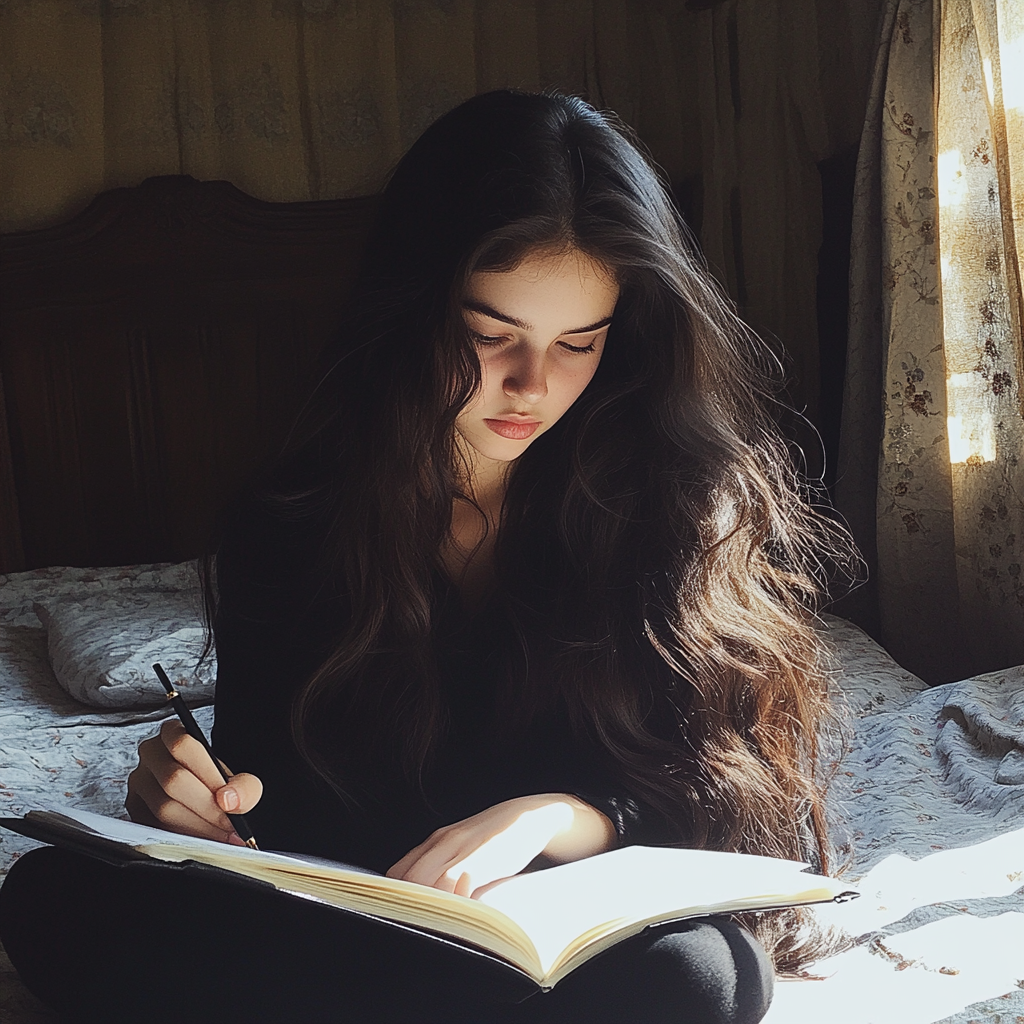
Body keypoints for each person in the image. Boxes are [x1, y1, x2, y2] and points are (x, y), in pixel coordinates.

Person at [0, 90, 856, 1023]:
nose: (531, 385)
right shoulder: (294, 522)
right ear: (412, 308)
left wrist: (553, 818)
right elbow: (271, 818)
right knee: (48, 896)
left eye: (579, 343)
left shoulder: (671, 508)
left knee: (702, 973)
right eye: (490, 336)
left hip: (554, 937)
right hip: (360, 920)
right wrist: (194, 803)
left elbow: (720, 814)